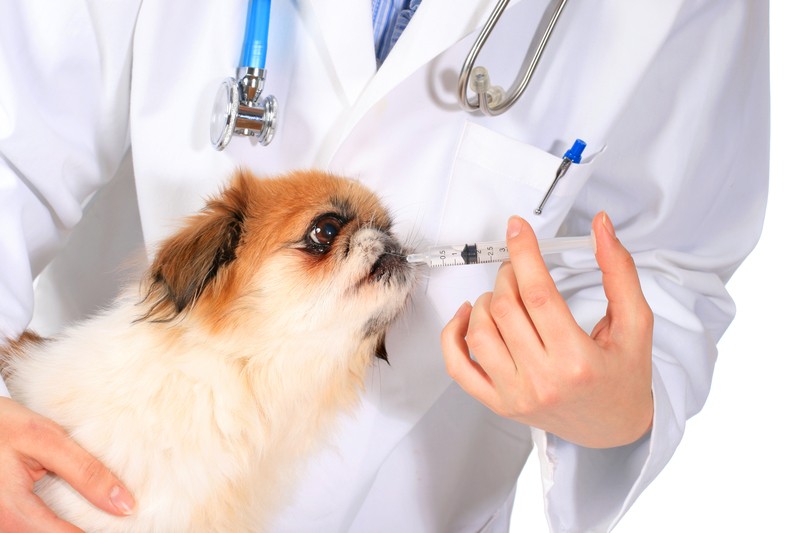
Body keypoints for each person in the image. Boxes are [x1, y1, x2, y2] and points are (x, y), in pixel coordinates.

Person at [0, 1, 769, 531]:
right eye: (325, 234)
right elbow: (13, 137)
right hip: (76, 456)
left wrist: (620, 410)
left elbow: (670, 264)